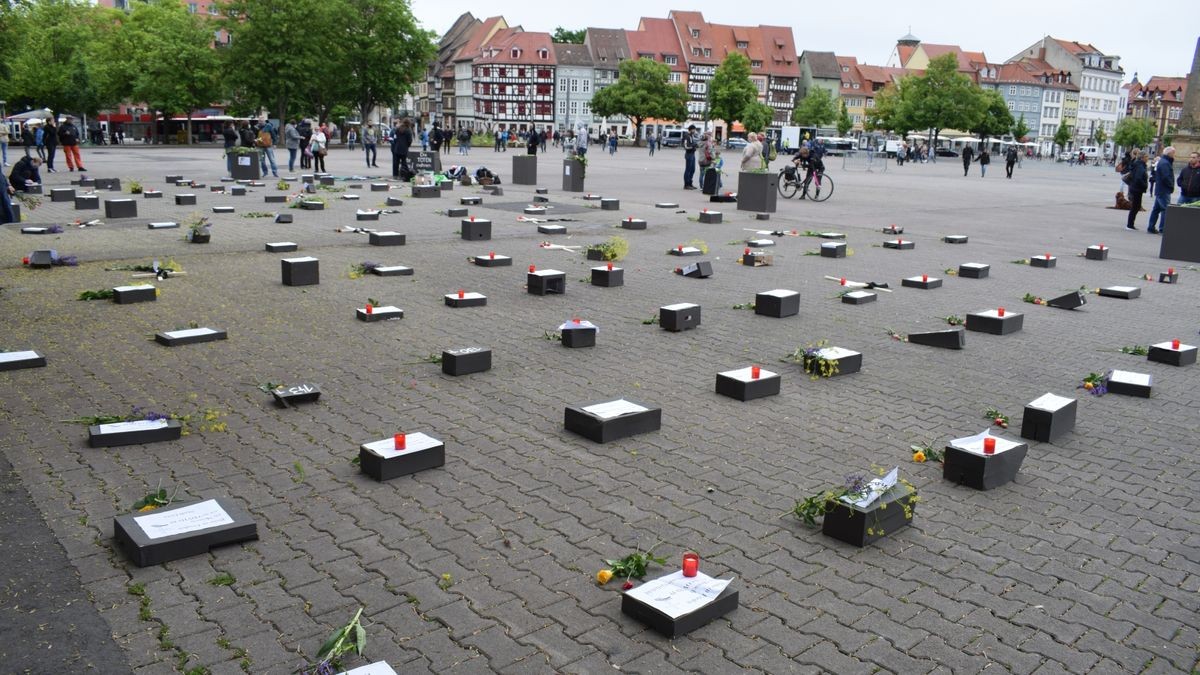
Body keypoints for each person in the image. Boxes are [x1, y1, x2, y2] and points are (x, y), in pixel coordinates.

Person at [1146, 147, 1175, 234]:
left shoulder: (1163, 161)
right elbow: (1166, 177)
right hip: (1164, 190)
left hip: (1160, 189)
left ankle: (1151, 227)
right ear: (1169, 153)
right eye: (1173, 153)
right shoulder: (1165, 163)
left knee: (1156, 209)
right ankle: (1163, 229)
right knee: (1165, 210)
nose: (1174, 155)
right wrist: (1171, 186)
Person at [1125, 150, 1149, 231]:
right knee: (1135, 206)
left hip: (1135, 188)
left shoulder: (1139, 164)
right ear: (1142, 158)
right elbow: (1138, 178)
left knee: (1136, 206)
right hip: (1136, 188)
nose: (1147, 159)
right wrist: (1144, 185)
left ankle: (1130, 224)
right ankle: (1130, 224)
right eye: (1146, 157)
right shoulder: (1140, 165)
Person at [682, 124, 699, 189]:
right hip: (689, 154)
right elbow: (686, 146)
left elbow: (692, 144)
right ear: (691, 129)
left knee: (692, 169)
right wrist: (693, 146)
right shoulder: (686, 136)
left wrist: (695, 145)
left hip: (692, 154)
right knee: (688, 170)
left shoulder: (691, 136)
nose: (695, 131)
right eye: (694, 129)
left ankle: (690, 183)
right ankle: (686, 185)